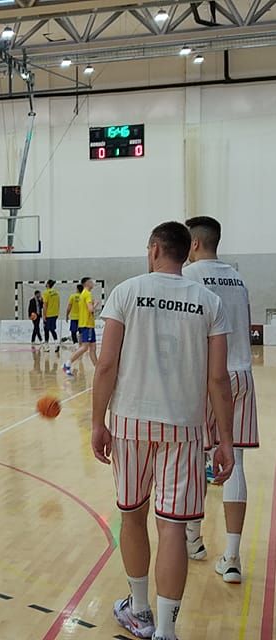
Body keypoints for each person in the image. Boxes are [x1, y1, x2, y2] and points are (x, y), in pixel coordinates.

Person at [91, 221, 234, 640]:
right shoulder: (209, 301)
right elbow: (218, 379)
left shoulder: (126, 292)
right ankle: (167, 630)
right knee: (172, 526)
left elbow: (106, 365)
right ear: (187, 252)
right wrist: (225, 440)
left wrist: (97, 422)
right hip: (185, 428)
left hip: (130, 423)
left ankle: (139, 610)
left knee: (132, 516)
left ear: (154, 249)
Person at [182, 216, 257, 583]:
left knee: (196, 455)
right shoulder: (238, 279)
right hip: (242, 374)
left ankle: (193, 541)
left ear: (194, 244)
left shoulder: (188, 277)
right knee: (236, 461)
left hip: (208, 377)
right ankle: (232, 557)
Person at [63, 277, 98, 376]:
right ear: (87, 283)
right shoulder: (87, 294)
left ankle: (98, 369)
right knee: (85, 347)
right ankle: (67, 364)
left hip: (85, 324)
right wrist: (95, 304)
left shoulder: (83, 294)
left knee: (93, 348)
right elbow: (90, 309)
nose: (93, 283)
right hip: (87, 324)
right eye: (91, 281)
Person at [43, 279, 61, 351]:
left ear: (47, 284)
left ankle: (47, 346)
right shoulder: (56, 293)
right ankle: (56, 343)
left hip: (48, 314)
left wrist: (44, 315)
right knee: (52, 329)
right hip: (55, 314)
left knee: (46, 329)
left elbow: (45, 305)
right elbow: (58, 303)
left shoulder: (46, 293)